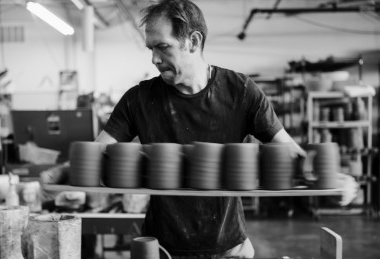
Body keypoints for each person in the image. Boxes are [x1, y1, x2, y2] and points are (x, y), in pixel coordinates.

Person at [93, 0, 304, 258]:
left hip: (229, 247)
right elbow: (96, 152)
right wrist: (64, 170)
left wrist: (329, 176)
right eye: (150, 49)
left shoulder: (241, 92)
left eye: (162, 47)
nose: (154, 59)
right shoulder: (139, 99)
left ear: (193, 41)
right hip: (161, 248)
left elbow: (289, 151)